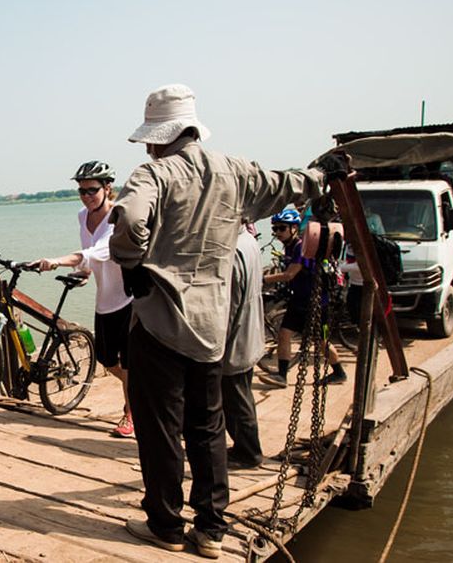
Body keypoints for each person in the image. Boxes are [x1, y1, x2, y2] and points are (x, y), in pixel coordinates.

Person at [109, 83, 329, 559]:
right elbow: (286, 184)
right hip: (212, 325)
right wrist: (319, 176)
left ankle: (165, 524)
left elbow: (129, 218)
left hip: (160, 323)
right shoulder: (235, 170)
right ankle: (210, 529)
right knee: (208, 426)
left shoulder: (154, 173)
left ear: (158, 137)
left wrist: (132, 261)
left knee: (161, 428)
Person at [31, 161, 135, 438]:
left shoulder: (118, 217)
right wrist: (84, 273)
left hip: (128, 298)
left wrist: (56, 261)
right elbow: (89, 254)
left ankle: (131, 414)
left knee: (127, 363)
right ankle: (142, 387)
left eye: (92, 190)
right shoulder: (82, 216)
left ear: (107, 188)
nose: (86, 196)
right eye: (82, 191)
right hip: (105, 298)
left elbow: (97, 251)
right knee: (106, 359)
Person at [259, 208, 347, 387]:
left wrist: (261, 279)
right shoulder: (289, 247)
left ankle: (339, 372)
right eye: (275, 229)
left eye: (282, 228)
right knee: (284, 334)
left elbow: (290, 274)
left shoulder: (301, 247)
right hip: (298, 301)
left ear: (294, 228)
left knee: (321, 341)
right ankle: (282, 375)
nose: (277, 233)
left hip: (316, 303)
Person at [222, 223, 265, 470]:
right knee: (240, 394)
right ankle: (244, 447)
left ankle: (248, 452)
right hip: (249, 329)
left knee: (236, 398)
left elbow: (228, 305)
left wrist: (217, 341)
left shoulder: (233, 250)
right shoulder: (249, 241)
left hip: (235, 337)